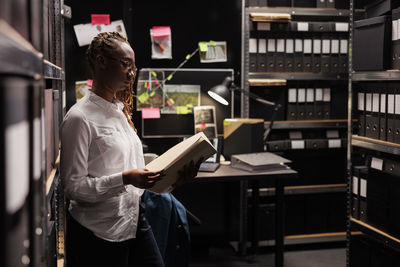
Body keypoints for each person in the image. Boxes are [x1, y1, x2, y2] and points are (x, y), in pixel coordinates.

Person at [60, 32, 201, 267]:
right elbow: (74, 188)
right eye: (125, 64)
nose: (131, 72)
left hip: (134, 221)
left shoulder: (119, 112)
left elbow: (137, 179)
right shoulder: (79, 117)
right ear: (101, 61)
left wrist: (174, 179)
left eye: (134, 66)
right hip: (98, 233)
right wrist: (125, 179)